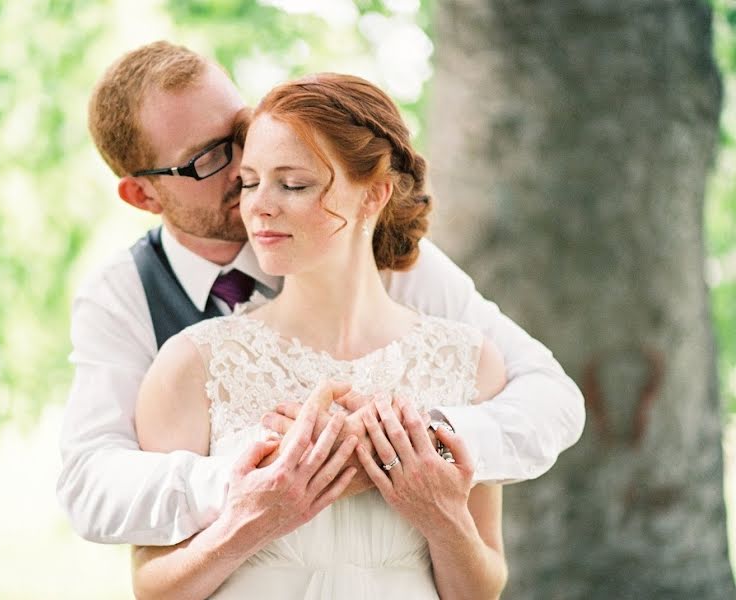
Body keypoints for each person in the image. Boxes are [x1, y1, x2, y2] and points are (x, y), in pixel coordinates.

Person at [57, 40, 583, 550]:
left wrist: (420, 439)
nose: (246, 161)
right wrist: (249, 478)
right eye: (207, 159)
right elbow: (89, 485)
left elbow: (552, 400)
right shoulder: (121, 294)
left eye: (240, 128)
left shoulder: (377, 252)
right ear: (143, 194)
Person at [130, 72, 508, 599]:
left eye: (294, 184)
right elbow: (152, 589)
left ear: (373, 195)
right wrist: (255, 521)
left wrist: (441, 514)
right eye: (250, 182)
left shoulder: (468, 362)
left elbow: (481, 591)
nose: (259, 205)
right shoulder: (194, 365)